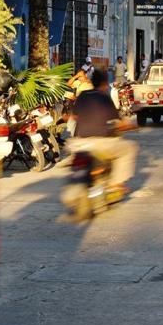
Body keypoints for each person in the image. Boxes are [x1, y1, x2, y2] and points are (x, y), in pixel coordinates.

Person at [66, 70, 136, 218]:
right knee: (130, 148)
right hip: (101, 143)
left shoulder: (83, 96)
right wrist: (130, 126)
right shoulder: (104, 98)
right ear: (105, 84)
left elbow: (73, 116)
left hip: (78, 143)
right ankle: (116, 184)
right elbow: (118, 123)